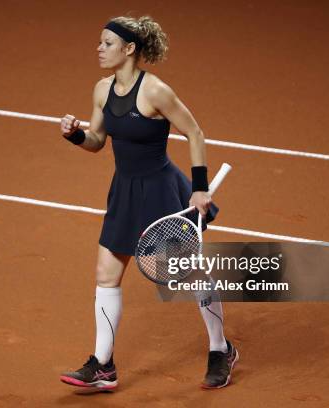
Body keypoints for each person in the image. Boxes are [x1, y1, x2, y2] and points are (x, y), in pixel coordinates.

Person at [58, 15, 238, 391]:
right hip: (124, 191)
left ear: (129, 50)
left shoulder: (155, 91)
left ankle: (221, 349)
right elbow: (96, 141)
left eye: (107, 43)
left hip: (159, 191)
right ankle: (103, 366)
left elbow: (195, 132)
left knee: (188, 274)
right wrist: (76, 135)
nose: (99, 48)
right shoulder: (101, 90)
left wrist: (200, 188)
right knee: (106, 274)